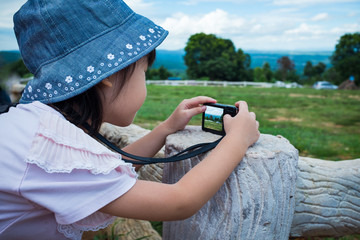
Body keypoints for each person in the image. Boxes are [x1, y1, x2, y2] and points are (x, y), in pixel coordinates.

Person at [0, 0, 260, 239]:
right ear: (108, 73)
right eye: (143, 72)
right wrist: (238, 139)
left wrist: (165, 129)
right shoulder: (46, 148)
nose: (144, 81)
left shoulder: (37, 129)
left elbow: (102, 170)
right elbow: (180, 201)